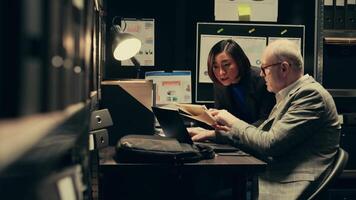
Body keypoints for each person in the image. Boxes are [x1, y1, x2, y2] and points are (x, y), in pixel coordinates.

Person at [190, 39, 341, 200]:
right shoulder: (288, 96)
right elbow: (259, 135)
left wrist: (231, 120)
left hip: (285, 185)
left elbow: (269, 143)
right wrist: (214, 135)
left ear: (284, 68)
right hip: (271, 176)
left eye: (265, 69)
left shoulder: (310, 95)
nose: (261, 74)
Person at [188, 39, 275, 136]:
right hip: (233, 141)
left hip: (256, 139)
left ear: (239, 62)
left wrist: (231, 132)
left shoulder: (263, 80)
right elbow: (222, 121)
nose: (221, 73)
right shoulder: (220, 84)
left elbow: (266, 122)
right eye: (215, 67)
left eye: (226, 65)